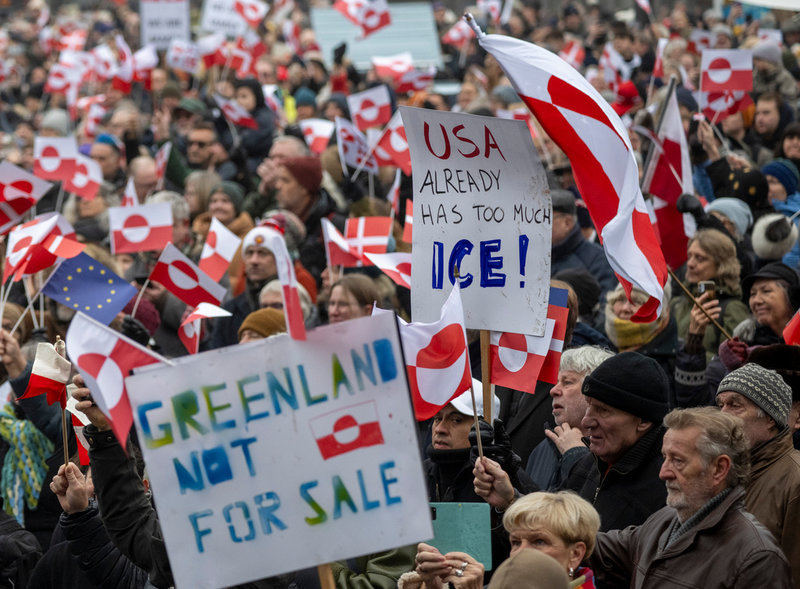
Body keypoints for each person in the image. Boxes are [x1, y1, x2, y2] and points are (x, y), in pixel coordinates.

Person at [589, 407, 792, 588]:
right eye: (665, 458)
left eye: (678, 460)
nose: (663, 473)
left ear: (719, 469)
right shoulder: (664, 521)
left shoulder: (756, 559)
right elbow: (598, 548)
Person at [561, 352, 669, 532]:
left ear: (643, 421)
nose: (586, 421)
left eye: (603, 410)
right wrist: (510, 497)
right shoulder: (590, 461)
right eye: (589, 405)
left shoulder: (667, 486)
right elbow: (551, 523)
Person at [716, 363, 800, 587]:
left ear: (770, 418)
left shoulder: (795, 481)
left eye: (735, 405)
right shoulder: (722, 471)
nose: (722, 415)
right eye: (720, 405)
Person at [525, 347, 613, 490]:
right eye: (557, 382)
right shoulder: (542, 449)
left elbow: (590, 508)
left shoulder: (612, 450)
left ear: (595, 391)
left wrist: (577, 456)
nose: (553, 391)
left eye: (568, 382)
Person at [670, 229, 751, 360]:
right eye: (689, 256)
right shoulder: (676, 304)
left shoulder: (732, 309)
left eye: (700, 258)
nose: (690, 264)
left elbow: (733, 363)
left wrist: (693, 350)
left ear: (721, 265)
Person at [549, 190, 617, 296]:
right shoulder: (534, 257)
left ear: (567, 222)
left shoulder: (598, 259)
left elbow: (606, 304)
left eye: (546, 219)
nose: (540, 225)